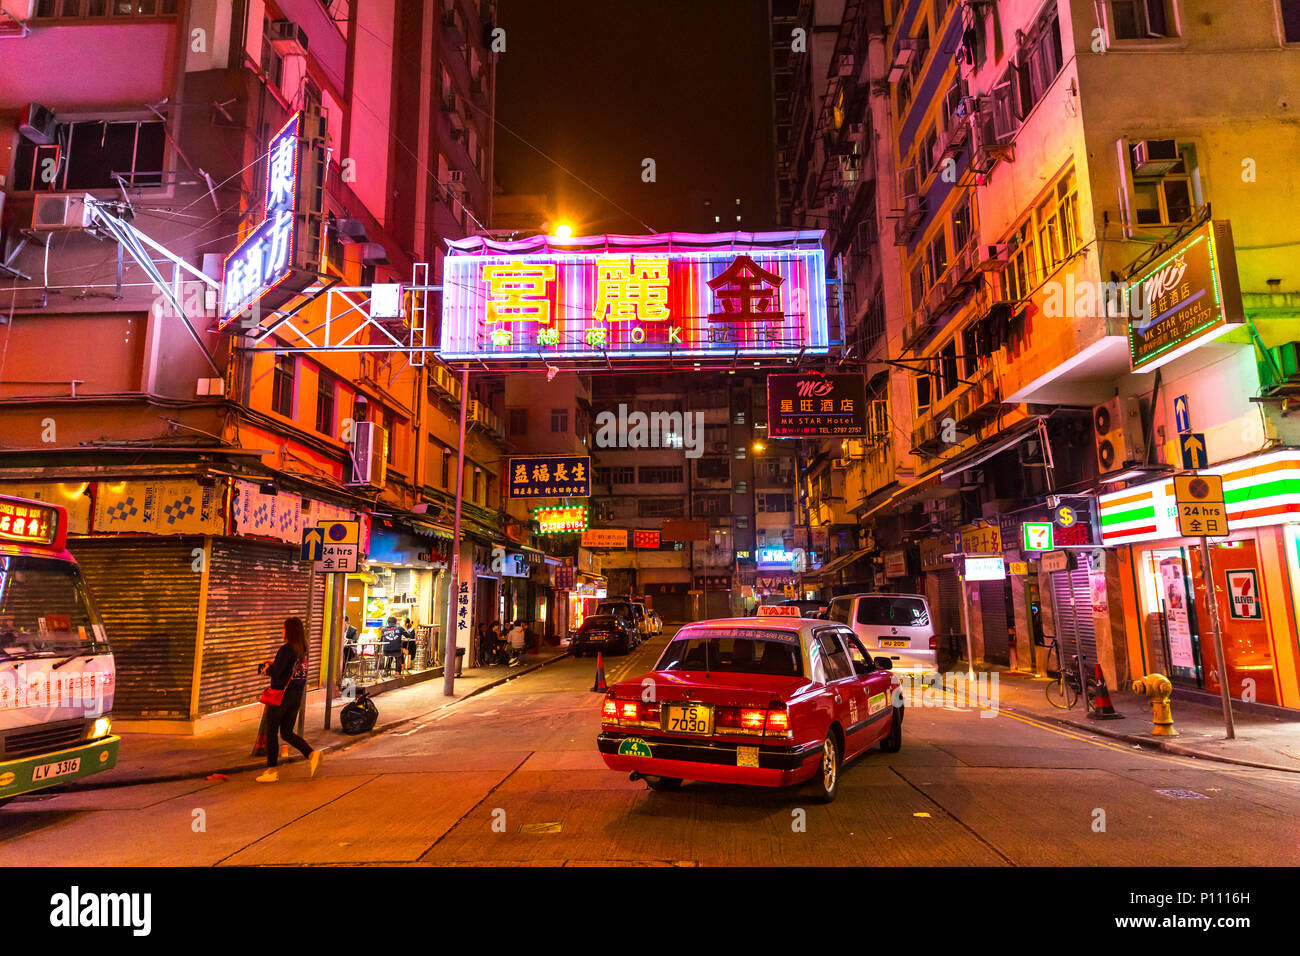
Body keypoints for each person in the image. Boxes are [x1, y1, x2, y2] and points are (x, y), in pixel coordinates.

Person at [256, 617, 320, 783]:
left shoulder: (285, 649)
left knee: (271, 731)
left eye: (284, 629)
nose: (282, 631)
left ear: (289, 631)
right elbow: (288, 669)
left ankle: (271, 770)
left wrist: (267, 670)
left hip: (281, 696)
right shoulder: (302, 650)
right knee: (286, 732)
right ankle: (312, 754)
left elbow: (278, 674)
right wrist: (274, 664)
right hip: (295, 696)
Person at [340, 615, 359, 680]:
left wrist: (346, 640)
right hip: (341, 649)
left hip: (350, 650)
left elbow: (354, 640)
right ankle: (341, 672)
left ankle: (342, 673)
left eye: (343, 623)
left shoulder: (353, 630)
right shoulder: (339, 629)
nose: (342, 625)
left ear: (347, 623)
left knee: (345, 652)